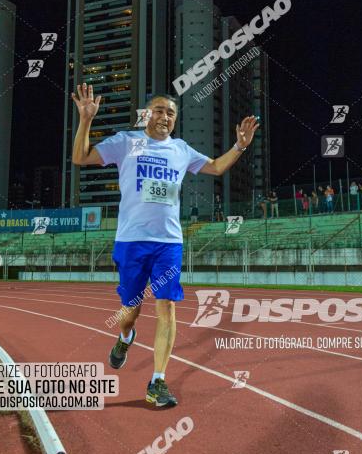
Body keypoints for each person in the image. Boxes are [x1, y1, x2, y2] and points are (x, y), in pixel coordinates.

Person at [71, 84, 259, 408]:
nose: (165, 116)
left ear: (175, 121)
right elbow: (80, 157)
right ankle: (125, 336)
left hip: (168, 242)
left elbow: (215, 166)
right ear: (147, 114)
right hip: (131, 240)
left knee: (167, 306)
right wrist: (86, 120)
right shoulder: (126, 142)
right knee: (130, 312)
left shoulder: (181, 150)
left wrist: (239, 146)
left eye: (170, 113)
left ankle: (157, 381)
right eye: (159, 110)